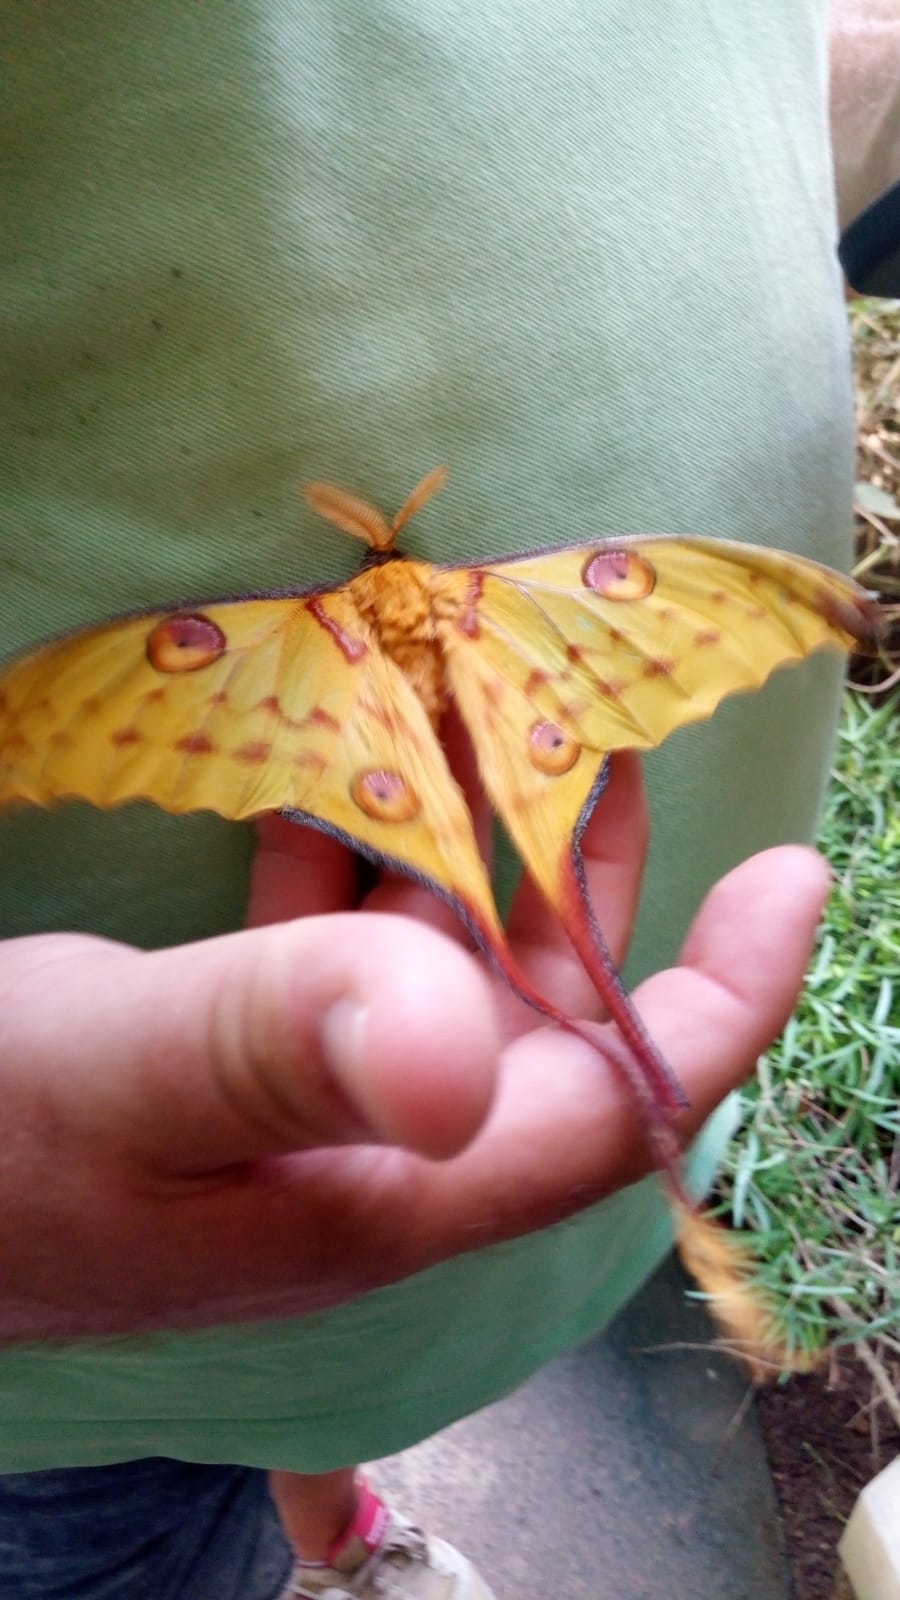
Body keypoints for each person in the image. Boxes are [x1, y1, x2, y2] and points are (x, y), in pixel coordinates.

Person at [0, 3, 870, 1596]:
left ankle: (338, 1532)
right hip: (86, 1346)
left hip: (434, 1210)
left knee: (363, 1290)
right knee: (172, 1470)